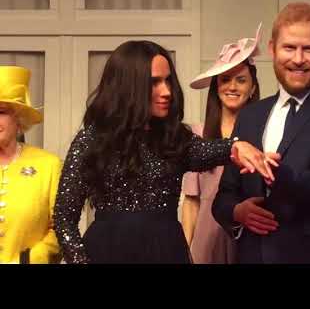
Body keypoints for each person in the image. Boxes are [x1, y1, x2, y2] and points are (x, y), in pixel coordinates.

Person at [53, 40, 277, 264]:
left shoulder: (173, 137)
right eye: (155, 82)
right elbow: (64, 218)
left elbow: (207, 150)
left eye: (168, 81)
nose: (167, 91)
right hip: (106, 252)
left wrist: (236, 146)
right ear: (128, 86)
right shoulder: (92, 140)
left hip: (165, 252)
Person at [212, 2, 310, 263]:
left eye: (308, 49)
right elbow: (224, 196)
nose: (298, 59)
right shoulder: (251, 115)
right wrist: (237, 211)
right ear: (273, 49)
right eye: (289, 48)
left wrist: (274, 171)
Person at [181, 24, 262, 264]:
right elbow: (191, 201)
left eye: (240, 80)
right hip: (206, 240)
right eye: (225, 79)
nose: (232, 87)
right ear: (216, 87)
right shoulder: (197, 134)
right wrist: (185, 251)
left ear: (253, 87)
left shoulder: (263, 133)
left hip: (250, 235)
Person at [0, 65, 62, 264]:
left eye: (1, 111)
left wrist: (28, 260)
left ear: (19, 119)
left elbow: (61, 227)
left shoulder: (48, 165)